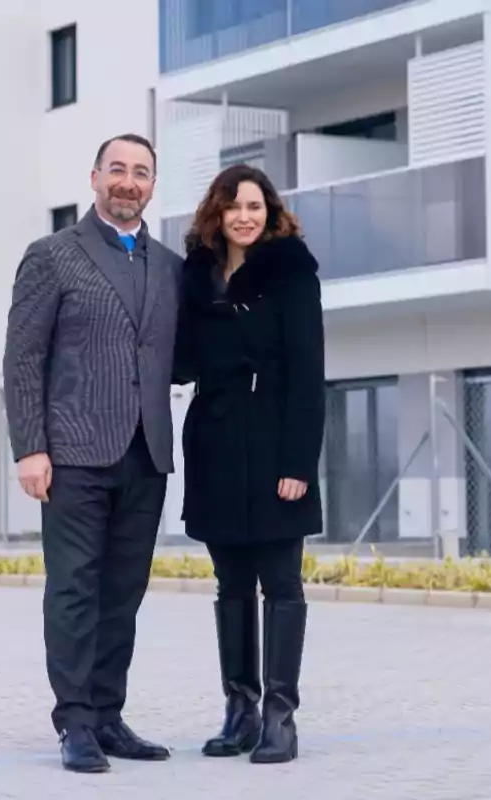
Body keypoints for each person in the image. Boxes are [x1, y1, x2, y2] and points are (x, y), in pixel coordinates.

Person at [3, 133, 183, 774]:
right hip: (74, 453)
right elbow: (24, 357)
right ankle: (74, 722)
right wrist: (31, 448)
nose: (128, 182)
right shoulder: (53, 255)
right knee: (75, 590)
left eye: (140, 172)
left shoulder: (167, 265)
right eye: (118, 170)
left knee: (123, 593)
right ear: (95, 178)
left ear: (153, 185)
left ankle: (108, 715)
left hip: (145, 454)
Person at [172, 164, 325, 764]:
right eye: (233, 205)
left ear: (270, 212)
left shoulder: (291, 271)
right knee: (230, 583)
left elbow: (308, 371)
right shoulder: (197, 276)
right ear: (217, 211)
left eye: (255, 206)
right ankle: (241, 711)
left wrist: (298, 462)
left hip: (274, 444)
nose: (244, 216)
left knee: (281, 583)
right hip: (213, 443)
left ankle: (281, 719)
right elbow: (180, 361)